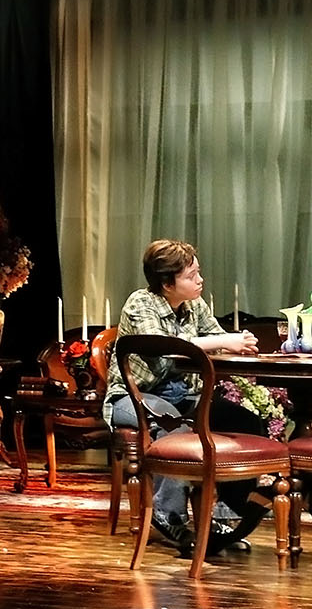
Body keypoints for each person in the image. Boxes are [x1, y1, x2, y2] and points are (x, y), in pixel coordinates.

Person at [102, 239, 267, 558]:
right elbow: (163, 345)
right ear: (167, 283)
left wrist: (238, 342)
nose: (200, 280)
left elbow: (217, 338)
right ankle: (169, 515)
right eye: (191, 276)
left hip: (186, 396)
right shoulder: (141, 303)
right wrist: (222, 341)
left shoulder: (195, 304)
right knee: (173, 426)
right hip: (136, 397)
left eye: (198, 272)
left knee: (243, 421)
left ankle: (226, 515)